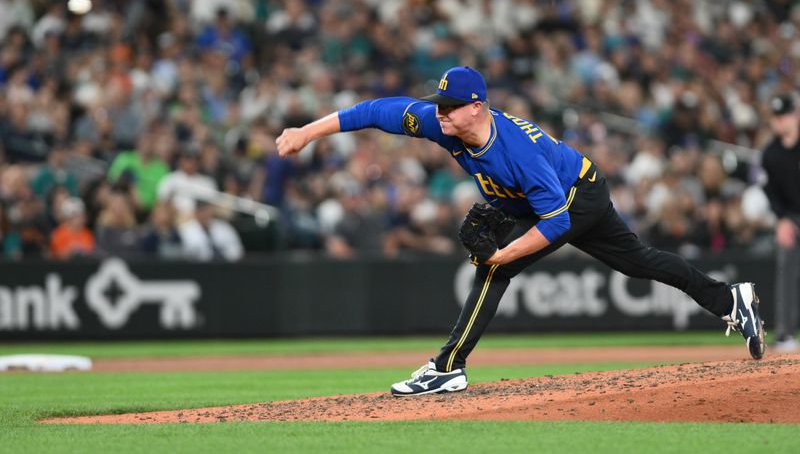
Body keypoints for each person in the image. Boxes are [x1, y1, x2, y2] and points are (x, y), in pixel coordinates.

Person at [276, 66, 766, 396]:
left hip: (575, 193)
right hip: (531, 197)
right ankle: (729, 300)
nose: (439, 111)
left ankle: (448, 368)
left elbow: (556, 220)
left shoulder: (517, 151)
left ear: (477, 106)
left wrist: (505, 256)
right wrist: (305, 132)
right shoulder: (440, 122)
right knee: (641, 261)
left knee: (493, 269)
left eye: (449, 105)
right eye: (438, 103)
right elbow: (372, 112)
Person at [760, 93, 800, 353]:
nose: (779, 121)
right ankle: (785, 333)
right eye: (776, 116)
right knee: (786, 270)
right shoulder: (770, 154)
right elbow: (771, 192)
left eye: (783, 115)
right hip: (791, 218)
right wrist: (782, 220)